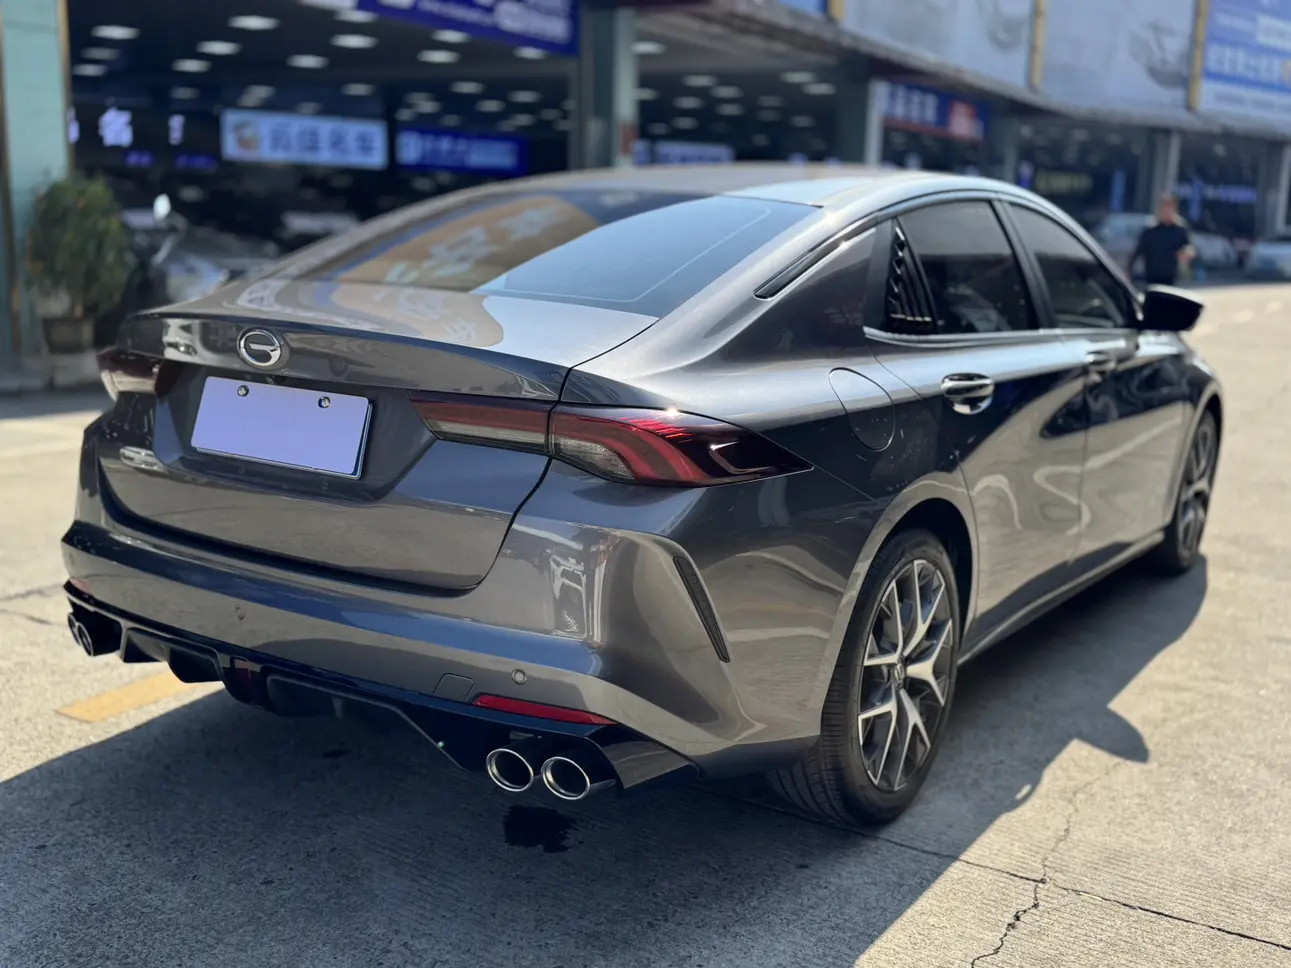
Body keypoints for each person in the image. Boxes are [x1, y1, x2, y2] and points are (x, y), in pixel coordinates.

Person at [1130, 193, 1195, 286]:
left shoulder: (1179, 230)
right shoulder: (1150, 230)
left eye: (1169, 207)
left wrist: (1187, 253)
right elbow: (1137, 251)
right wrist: (1129, 270)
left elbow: (1188, 247)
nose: (1167, 210)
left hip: (1171, 278)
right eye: (1164, 207)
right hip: (1151, 278)